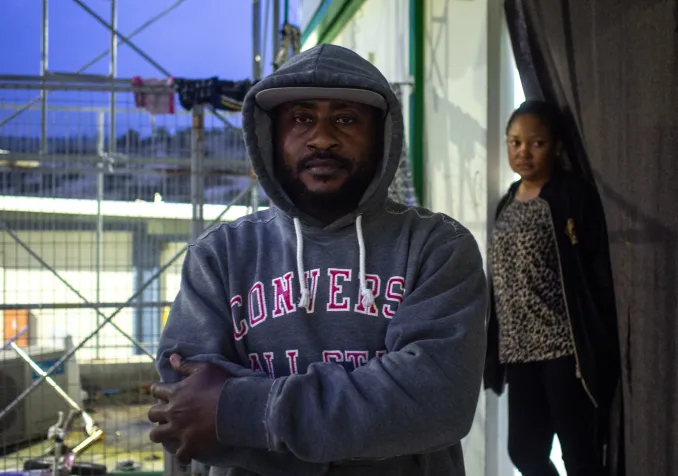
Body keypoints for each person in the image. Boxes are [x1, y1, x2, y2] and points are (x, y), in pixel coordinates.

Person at [147, 44, 488, 476]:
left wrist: (240, 412)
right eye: (301, 119)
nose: (323, 138)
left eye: (346, 119)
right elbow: (184, 413)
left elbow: (435, 402)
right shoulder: (220, 255)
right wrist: (373, 429)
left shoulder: (436, 247)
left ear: (381, 135)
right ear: (271, 136)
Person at [484, 100, 621, 475]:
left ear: (556, 147)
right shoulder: (507, 202)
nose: (523, 152)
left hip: (563, 348)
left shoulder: (570, 197)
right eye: (515, 142)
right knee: (523, 452)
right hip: (519, 351)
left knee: (579, 455)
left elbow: (594, 271)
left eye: (536, 143)